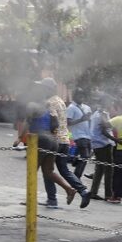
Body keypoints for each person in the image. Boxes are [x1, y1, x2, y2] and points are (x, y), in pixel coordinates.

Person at [40, 77, 91, 208]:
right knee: (64, 170)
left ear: (48, 89)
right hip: (65, 140)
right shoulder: (60, 101)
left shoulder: (50, 102)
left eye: (43, 87)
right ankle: (83, 191)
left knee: (48, 170)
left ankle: (52, 199)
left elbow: (54, 122)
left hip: (54, 140)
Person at [27, 102, 80, 207]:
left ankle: (30, 199)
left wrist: (19, 138)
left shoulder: (32, 106)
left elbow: (26, 122)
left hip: (40, 139)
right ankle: (69, 189)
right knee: (48, 171)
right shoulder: (50, 110)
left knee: (32, 170)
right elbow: (55, 124)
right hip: (53, 140)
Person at [88, 96, 116, 201]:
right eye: (110, 102)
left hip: (98, 144)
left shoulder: (98, 113)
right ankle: (108, 194)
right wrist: (116, 140)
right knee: (109, 170)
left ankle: (93, 192)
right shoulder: (101, 114)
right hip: (103, 144)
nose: (111, 104)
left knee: (99, 169)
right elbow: (105, 130)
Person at [66, 88, 93, 179]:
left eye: (82, 96)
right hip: (78, 135)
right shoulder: (71, 108)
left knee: (86, 157)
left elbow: (90, 120)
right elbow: (68, 122)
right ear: (75, 96)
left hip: (88, 135)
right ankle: (76, 178)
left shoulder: (87, 107)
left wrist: (89, 119)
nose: (81, 97)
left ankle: (75, 161)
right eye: (79, 95)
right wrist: (81, 119)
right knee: (84, 156)